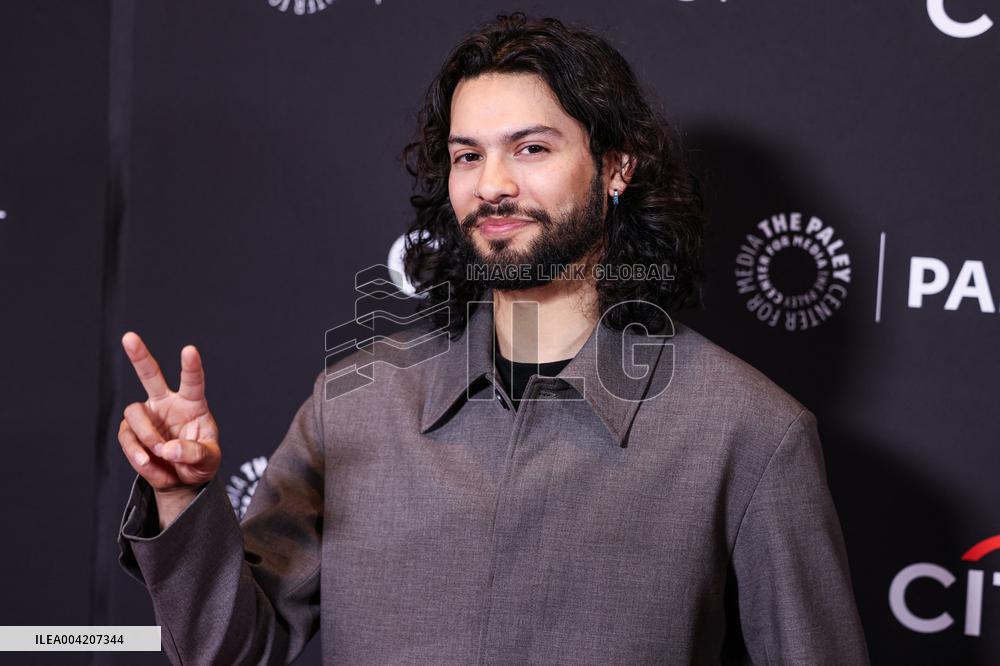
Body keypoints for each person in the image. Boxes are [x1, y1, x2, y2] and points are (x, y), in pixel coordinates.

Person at [117, 13, 870, 665]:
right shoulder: (356, 403)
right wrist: (182, 497)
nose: (492, 185)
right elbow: (228, 650)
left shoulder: (746, 431)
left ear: (615, 167)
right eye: (468, 155)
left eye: (532, 149)